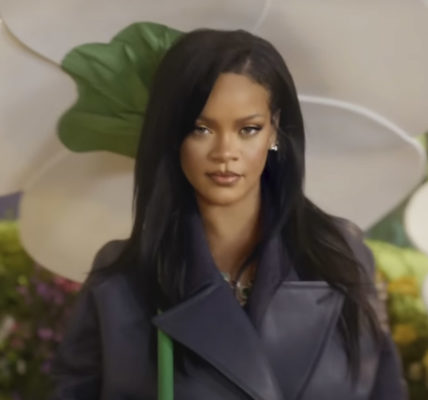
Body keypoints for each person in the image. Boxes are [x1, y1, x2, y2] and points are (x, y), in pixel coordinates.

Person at [50, 28, 407, 400]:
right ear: (171, 134)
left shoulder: (341, 258)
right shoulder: (122, 283)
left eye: (248, 129)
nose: (225, 152)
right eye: (201, 129)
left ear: (274, 131)